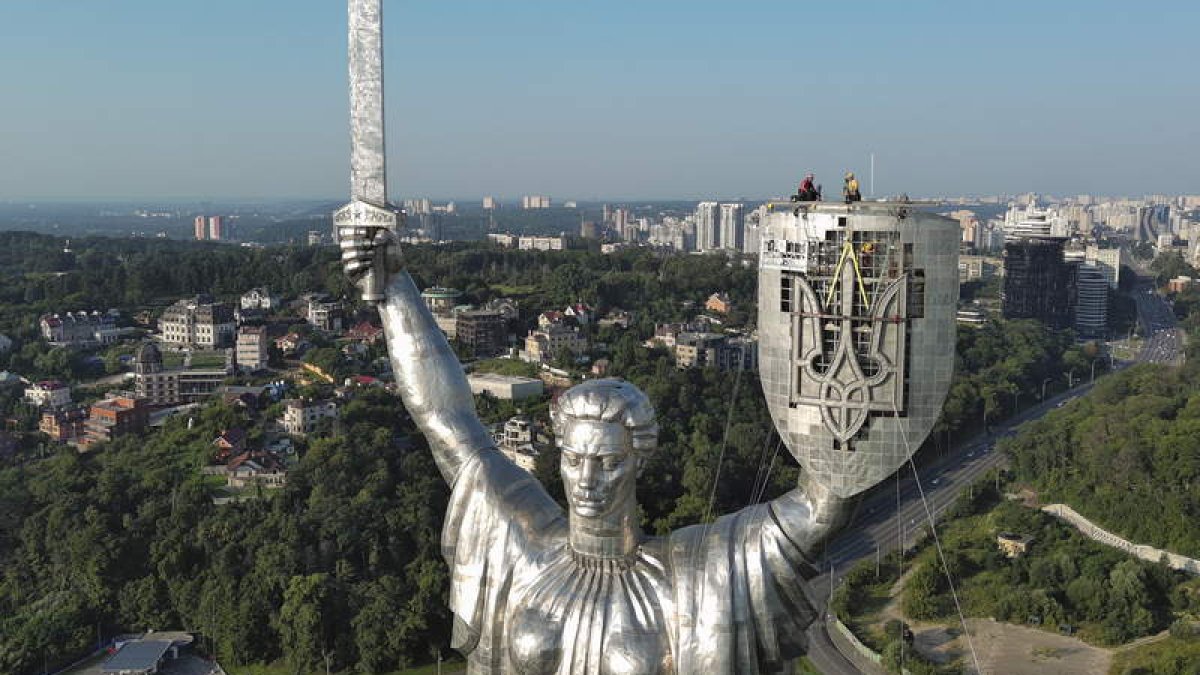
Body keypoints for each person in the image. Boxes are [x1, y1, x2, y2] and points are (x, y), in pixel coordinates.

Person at [338, 227, 852, 674]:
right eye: (574, 459)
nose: (586, 480)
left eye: (608, 463)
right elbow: (444, 417)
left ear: (638, 461)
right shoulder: (521, 545)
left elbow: (819, 508)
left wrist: (844, 350)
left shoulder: (693, 577)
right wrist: (395, 288)